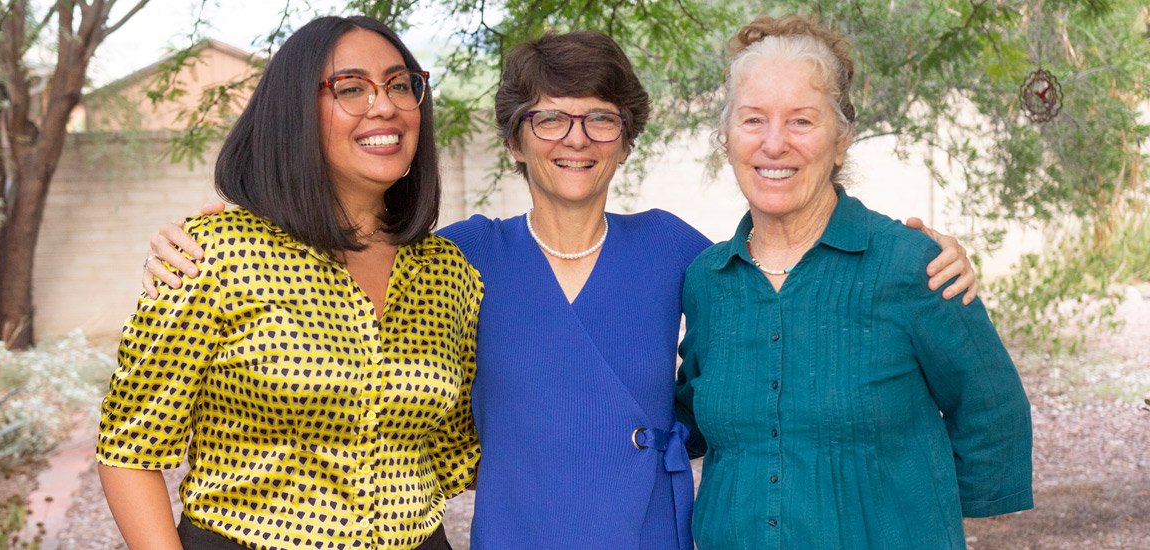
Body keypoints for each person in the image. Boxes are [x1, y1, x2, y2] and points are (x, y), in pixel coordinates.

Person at [142, 31, 979, 550]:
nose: (575, 139)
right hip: (517, 537)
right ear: (514, 138)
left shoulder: (683, 254)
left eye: (600, 119)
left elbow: (787, 294)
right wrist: (227, 223)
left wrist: (923, 251)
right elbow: (335, 249)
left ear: (626, 140)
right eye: (549, 118)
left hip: (650, 535)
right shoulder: (454, 259)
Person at [97, 16, 481, 550]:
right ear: (294, 112)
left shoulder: (450, 274)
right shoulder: (215, 254)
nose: (385, 105)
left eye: (400, 84)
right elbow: (129, 450)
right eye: (350, 88)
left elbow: (457, 452)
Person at [675, 15, 1033, 550]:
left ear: (841, 141)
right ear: (726, 138)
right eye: (753, 120)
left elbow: (991, 406)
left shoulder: (914, 266)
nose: (774, 144)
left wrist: (915, 509)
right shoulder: (706, 279)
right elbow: (689, 422)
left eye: (801, 121)